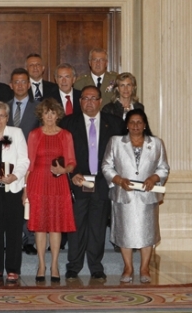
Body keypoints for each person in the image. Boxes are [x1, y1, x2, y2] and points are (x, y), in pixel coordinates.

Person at [59, 85, 124, 281]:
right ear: (80, 102)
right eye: (85, 98)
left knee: (97, 226)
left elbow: (121, 154)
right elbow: (60, 153)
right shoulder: (68, 123)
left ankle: (96, 266)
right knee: (76, 226)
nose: (89, 102)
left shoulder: (115, 124)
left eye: (93, 98)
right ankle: (73, 267)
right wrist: (72, 174)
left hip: (103, 182)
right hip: (78, 181)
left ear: (100, 101)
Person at [102, 109, 169, 283]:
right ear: (127, 124)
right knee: (125, 233)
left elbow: (163, 168)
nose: (135, 126)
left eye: (139, 122)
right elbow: (107, 166)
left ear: (145, 125)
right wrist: (118, 180)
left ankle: (144, 268)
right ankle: (128, 267)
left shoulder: (156, 143)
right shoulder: (116, 142)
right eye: (132, 122)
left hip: (147, 197)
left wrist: (154, 178)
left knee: (147, 233)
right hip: (124, 195)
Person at [25, 98, 76, 283]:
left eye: (52, 113)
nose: (49, 116)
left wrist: (64, 170)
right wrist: (25, 189)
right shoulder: (34, 134)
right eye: (46, 113)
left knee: (55, 226)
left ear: (57, 115)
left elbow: (71, 162)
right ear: (41, 115)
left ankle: (54, 264)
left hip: (58, 182)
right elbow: (28, 164)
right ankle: (41, 264)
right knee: (39, 226)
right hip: (38, 181)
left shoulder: (66, 135)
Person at [0, 101, 29, 283]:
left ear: (7, 117)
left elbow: (24, 160)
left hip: (12, 187)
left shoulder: (15, 133)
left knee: (13, 230)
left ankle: (13, 268)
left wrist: (15, 176)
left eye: (2, 115)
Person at [7, 68, 40, 256]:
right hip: (9, 161)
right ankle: (12, 238)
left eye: (23, 82)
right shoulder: (3, 106)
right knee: (11, 201)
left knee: (29, 200)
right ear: (11, 85)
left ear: (29, 84)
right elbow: (0, 132)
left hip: (32, 161)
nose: (19, 85)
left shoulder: (39, 108)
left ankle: (29, 239)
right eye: (16, 82)